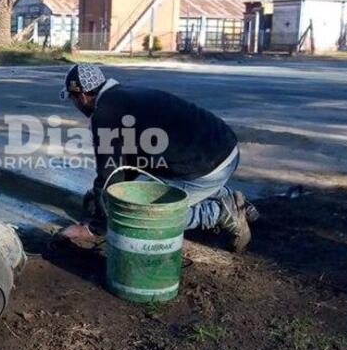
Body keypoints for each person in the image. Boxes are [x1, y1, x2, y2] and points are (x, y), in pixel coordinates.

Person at [58, 64, 258, 252]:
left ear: (82, 97)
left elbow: (109, 172)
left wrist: (95, 226)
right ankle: (221, 193)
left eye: (72, 99)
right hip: (225, 149)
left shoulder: (105, 115)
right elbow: (127, 165)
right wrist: (103, 195)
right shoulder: (125, 95)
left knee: (135, 219)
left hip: (208, 168)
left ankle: (220, 211)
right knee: (147, 178)